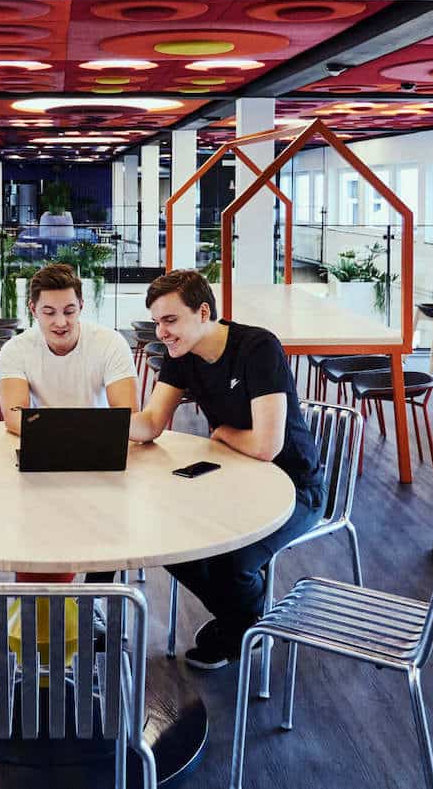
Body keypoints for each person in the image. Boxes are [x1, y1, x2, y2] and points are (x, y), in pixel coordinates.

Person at [127, 269, 323, 670]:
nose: (162, 332)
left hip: (295, 488)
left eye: (170, 320)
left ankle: (242, 626)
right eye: (157, 322)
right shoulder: (182, 356)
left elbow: (267, 447)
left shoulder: (257, 347)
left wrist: (223, 431)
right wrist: (89, 421)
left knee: (232, 563)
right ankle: (247, 622)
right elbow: (149, 424)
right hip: (235, 482)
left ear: (203, 312)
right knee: (171, 544)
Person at [0, 261, 138, 586]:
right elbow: (13, 414)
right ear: (33, 309)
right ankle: (47, 593)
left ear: (82, 306)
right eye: (49, 312)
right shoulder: (15, 350)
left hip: (100, 457)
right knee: (36, 522)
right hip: (42, 457)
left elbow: (126, 414)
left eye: (69, 311)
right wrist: (78, 428)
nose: (61, 322)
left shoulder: (110, 343)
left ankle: (93, 599)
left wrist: (52, 427)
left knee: (110, 518)